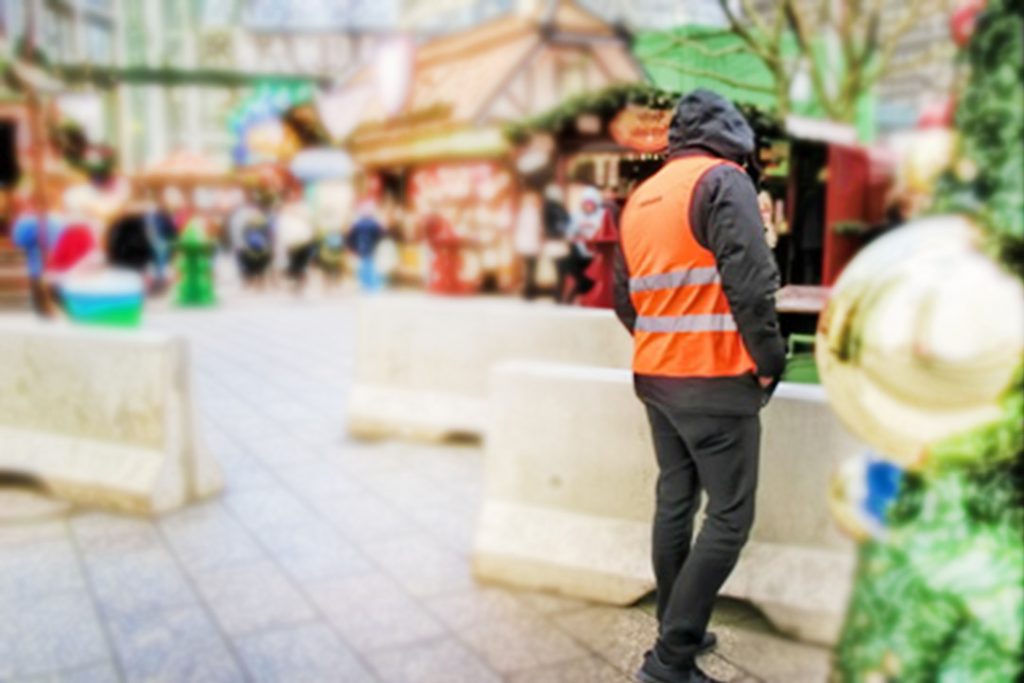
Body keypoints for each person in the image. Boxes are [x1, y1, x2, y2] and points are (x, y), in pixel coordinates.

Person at [614, 89, 786, 683]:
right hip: (715, 377)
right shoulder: (724, 181)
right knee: (731, 516)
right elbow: (753, 282)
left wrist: (664, 340)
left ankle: (675, 622)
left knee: (676, 501)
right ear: (733, 133)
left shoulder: (642, 196)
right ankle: (670, 660)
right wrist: (768, 360)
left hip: (657, 376)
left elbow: (624, 299)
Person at [514, 191, 544, 300]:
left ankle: (528, 292)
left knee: (528, 270)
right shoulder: (534, 213)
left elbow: (520, 230)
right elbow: (538, 230)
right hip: (532, 245)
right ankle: (530, 292)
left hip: (525, 245)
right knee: (532, 270)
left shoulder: (523, 213)